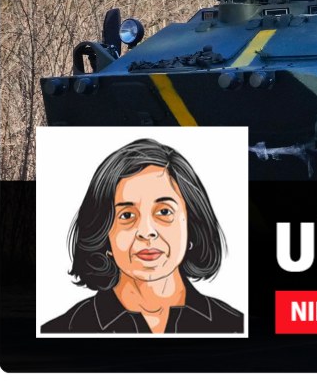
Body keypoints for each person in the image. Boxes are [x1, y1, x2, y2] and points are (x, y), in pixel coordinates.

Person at [42, 139, 243, 334]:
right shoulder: (62, 330)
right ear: (102, 232)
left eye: (164, 212)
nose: (146, 232)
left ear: (193, 224)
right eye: (126, 215)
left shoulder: (234, 326)